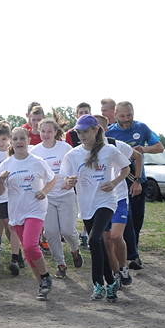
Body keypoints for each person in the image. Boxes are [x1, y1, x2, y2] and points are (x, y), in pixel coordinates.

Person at [60, 115, 130, 302]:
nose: (82, 136)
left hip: (106, 201)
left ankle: (97, 283)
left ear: (95, 130)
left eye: (85, 131)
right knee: (97, 243)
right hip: (86, 205)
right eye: (79, 132)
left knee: (94, 239)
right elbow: (64, 181)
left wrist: (114, 182)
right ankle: (111, 282)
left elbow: (126, 168)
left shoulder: (109, 150)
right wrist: (69, 181)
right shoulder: (72, 155)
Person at [0, 127, 57, 299]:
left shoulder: (37, 161)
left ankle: (45, 276)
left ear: (28, 140)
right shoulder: (6, 164)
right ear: (11, 143)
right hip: (16, 211)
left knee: (30, 245)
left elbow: (52, 179)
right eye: (15, 139)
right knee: (28, 252)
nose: (19, 142)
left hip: (36, 208)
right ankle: (42, 286)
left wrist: (44, 191)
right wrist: (1, 180)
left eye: (22, 138)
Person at [106, 101, 163, 270]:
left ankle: (133, 252)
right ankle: (131, 256)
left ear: (133, 113)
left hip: (139, 180)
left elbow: (159, 147)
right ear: (115, 115)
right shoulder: (110, 132)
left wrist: (144, 150)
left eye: (129, 115)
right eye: (122, 116)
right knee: (125, 220)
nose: (126, 119)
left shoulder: (142, 128)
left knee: (136, 220)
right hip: (119, 182)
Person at [30, 117, 82, 278]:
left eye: (49, 131)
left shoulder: (65, 148)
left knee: (67, 231)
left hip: (65, 194)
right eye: (43, 131)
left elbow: (75, 169)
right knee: (51, 232)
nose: (46, 134)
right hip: (47, 197)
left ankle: (75, 249)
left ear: (55, 132)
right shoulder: (35, 152)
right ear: (39, 131)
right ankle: (60, 264)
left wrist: (71, 180)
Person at [95, 114, 141, 287]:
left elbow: (137, 156)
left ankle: (123, 267)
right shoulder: (86, 149)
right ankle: (115, 276)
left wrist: (136, 180)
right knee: (106, 240)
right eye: (93, 127)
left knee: (115, 236)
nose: (95, 131)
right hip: (100, 201)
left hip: (119, 198)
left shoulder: (116, 145)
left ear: (105, 129)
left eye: (99, 127)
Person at [0, 122, 24, 275]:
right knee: (6, 226)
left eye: (4, 139)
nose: (1, 143)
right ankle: (16, 252)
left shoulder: (13, 152)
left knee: (11, 225)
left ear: (9, 139)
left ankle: (17, 255)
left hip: (12, 194)